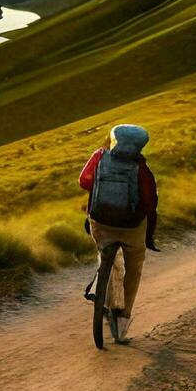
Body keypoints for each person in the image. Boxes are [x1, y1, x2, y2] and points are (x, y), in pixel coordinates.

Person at [79, 124, 159, 345]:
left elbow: (84, 181)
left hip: (101, 223)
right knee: (134, 268)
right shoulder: (142, 169)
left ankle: (102, 293)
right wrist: (149, 235)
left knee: (105, 254)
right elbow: (150, 205)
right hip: (132, 229)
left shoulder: (99, 156)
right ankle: (123, 320)